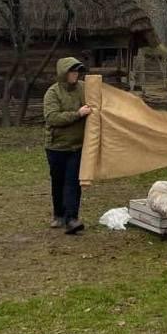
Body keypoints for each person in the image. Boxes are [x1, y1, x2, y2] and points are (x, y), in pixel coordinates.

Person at [43, 57, 92, 235]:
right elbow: (52, 117)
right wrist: (77, 114)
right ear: (64, 73)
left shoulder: (83, 88)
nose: (75, 74)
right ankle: (59, 215)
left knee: (73, 182)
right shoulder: (53, 93)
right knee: (58, 182)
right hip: (56, 146)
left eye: (77, 71)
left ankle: (72, 219)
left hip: (76, 146)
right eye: (72, 71)